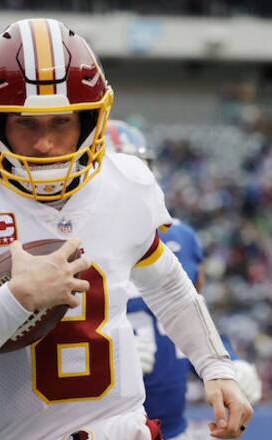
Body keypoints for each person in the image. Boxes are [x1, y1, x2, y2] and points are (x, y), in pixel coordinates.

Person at [0, 18, 253, 440]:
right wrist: (16, 299)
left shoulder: (126, 181)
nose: (45, 144)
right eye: (26, 123)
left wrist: (216, 366)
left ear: (89, 122)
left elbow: (169, 287)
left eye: (61, 123)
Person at [106, 120, 262, 440]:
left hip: (172, 425)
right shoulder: (75, 239)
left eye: (138, 167)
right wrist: (108, 351)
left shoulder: (179, 236)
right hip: (101, 418)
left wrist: (226, 363)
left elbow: (187, 316)